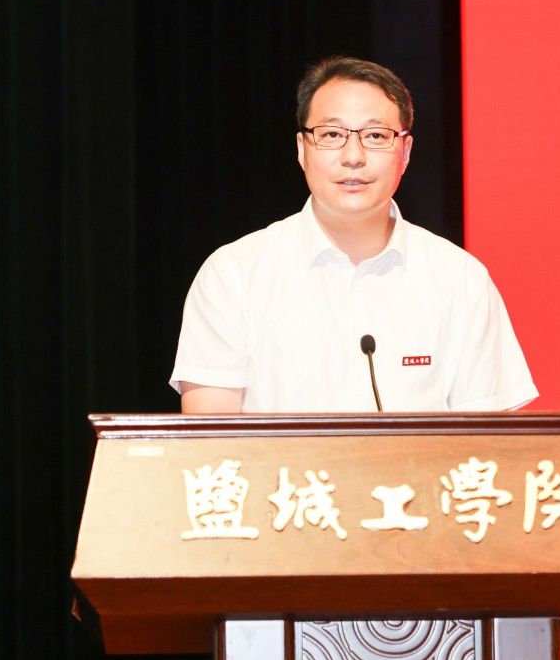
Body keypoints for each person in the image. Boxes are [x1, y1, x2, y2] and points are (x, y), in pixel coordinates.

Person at [169, 56, 536, 413]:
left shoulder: (460, 279)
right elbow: (211, 438)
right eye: (332, 134)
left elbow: (491, 439)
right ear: (302, 149)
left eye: (375, 135)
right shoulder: (234, 274)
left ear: (405, 152)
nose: (354, 156)